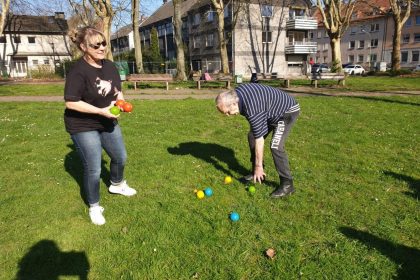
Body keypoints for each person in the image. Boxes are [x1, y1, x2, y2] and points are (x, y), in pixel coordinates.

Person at [64, 26, 137, 225]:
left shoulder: (110, 66)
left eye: (104, 42)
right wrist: (100, 111)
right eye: (96, 45)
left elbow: (116, 91)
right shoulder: (78, 71)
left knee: (120, 156)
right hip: (82, 124)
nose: (102, 47)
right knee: (94, 168)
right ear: (83, 47)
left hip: (107, 119)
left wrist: (120, 103)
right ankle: (94, 206)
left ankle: (116, 184)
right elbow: (71, 102)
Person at [215, 83, 300, 198]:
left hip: (286, 112)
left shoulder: (252, 109)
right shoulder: (237, 94)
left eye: (227, 112)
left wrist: (258, 166)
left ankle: (287, 184)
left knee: (276, 146)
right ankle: (258, 172)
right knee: (252, 136)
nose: (228, 115)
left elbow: (259, 139)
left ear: (234, 103)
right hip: (269, 111)